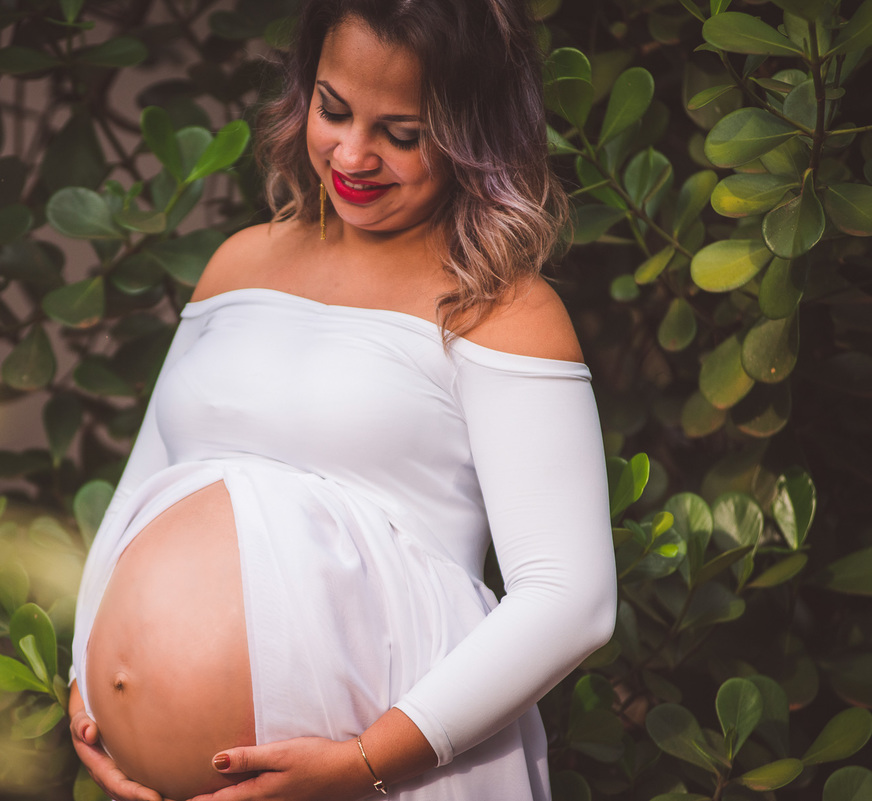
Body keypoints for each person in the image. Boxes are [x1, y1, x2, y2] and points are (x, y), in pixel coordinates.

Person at [66, 0, 618, 799]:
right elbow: (140, 494)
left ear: (471, 134)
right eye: (333, 109)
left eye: (402, 132)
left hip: (387, 775)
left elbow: (573, 599)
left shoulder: (501, 308)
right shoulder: (237, 264)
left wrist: (362, 760)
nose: (353, 154)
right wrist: (88, 678)